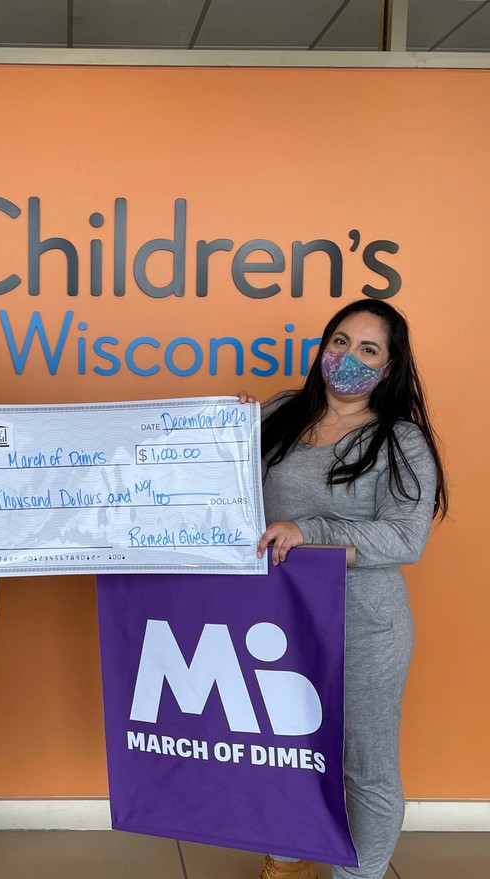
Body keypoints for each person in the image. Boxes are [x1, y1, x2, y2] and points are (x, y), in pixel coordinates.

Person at [250, 298, 447, 879]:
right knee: (280, 753)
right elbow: (222, 491)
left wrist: (306, 531)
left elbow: (404, 540)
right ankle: (285, 863)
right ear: (323, 347)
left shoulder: (399, 440)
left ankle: (357, 875)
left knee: (364, 766)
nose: (349, 357)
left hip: (364, 626)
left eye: (369, 349)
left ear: (389, 368)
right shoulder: (279, 412)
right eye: (340, 341)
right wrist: (223, 430)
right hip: (276, 621)